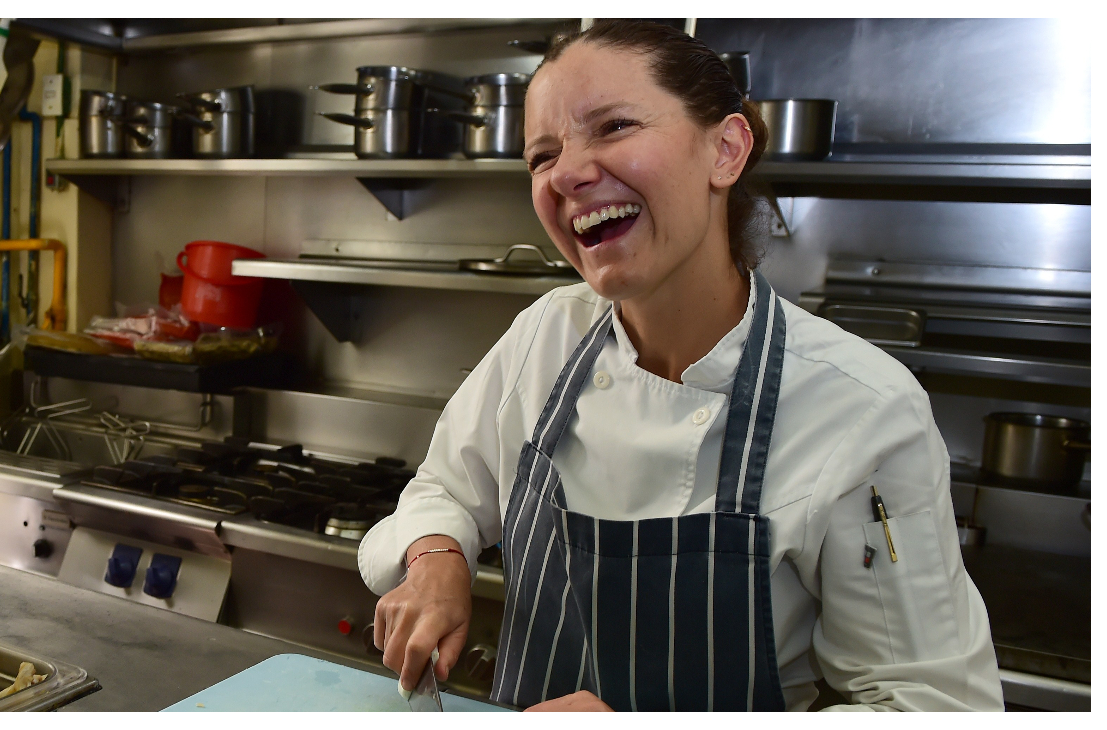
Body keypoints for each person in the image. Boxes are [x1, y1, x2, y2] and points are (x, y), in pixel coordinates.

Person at [357, 19, 1004, 711]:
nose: (568, 173)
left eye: (612, 127)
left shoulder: (861, 406)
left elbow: (934, 707)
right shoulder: (546, 335)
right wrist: (435, 558)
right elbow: (446, 489)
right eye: (542, 156)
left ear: (725, 150)